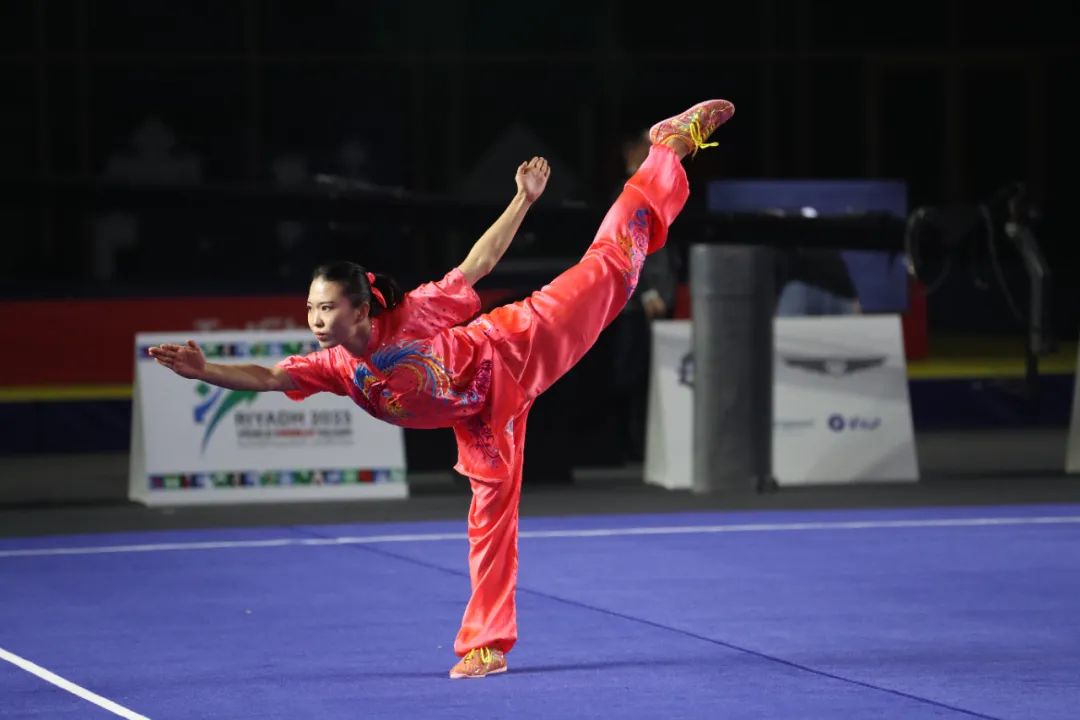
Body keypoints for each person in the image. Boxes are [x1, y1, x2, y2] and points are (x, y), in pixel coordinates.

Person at [148, 99, 735, 679]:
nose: (316, 319)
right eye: (310, 308)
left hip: (515, 347)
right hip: (481, 421)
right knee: (489, 523)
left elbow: (480, 262)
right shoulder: (337, 366)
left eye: (326, 308)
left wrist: (523, 199)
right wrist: (205, 370)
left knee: (614, 267)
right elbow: (269, 377)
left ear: (360, 309)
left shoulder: (413, 315)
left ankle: (666, 148)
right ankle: (487, 646)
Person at [610, 130, 680, 463]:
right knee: (630, 375)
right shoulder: (627, 190)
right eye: (650, 147)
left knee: (655, 376)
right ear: (633, 150)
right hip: (636, 304)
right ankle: (627, 446)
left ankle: (649, 446)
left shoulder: (655, 186)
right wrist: (648, 292)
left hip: (660, 300)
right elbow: (627, 245)